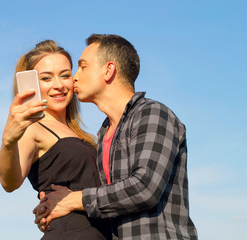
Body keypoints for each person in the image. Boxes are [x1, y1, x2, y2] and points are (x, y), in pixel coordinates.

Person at [34, 34, 198, 239]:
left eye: (83, 67)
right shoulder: (103, 134)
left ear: (108, 70)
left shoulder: (153, 114)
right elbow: (108, 200)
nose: (75, 77)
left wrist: (74, 200)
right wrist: (53, 210)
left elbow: (144, 188)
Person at [0, 39, 111, 240]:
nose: (58, 85)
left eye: (65, 75)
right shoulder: (33, 128)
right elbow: (9, 182)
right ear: (31, 84)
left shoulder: (79, 133)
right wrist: (8, 141)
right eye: (46, 78)